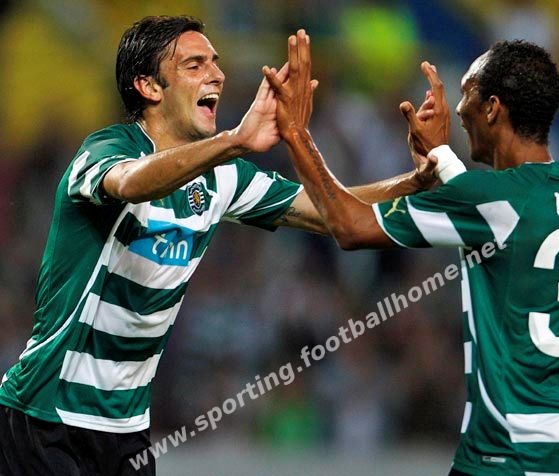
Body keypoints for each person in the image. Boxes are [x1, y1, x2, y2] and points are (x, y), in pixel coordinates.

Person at [0, 16, 442, 476]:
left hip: (126, 431)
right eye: (195, 65)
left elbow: (335, 210)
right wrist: (235, 141)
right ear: (149, 87)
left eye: (215, 62)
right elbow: (131, 183)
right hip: (44, 418)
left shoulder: (221, 179)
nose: (217, 74)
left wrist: (416, 180)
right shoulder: (105, 150)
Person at [265, 30, 559, 475]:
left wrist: (296, 134)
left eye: (467, 94)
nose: (460, 111)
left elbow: (349, 227)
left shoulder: (492, 199)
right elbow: (495, 206)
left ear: (492, 108)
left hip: (510, 450)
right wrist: (440, 161)